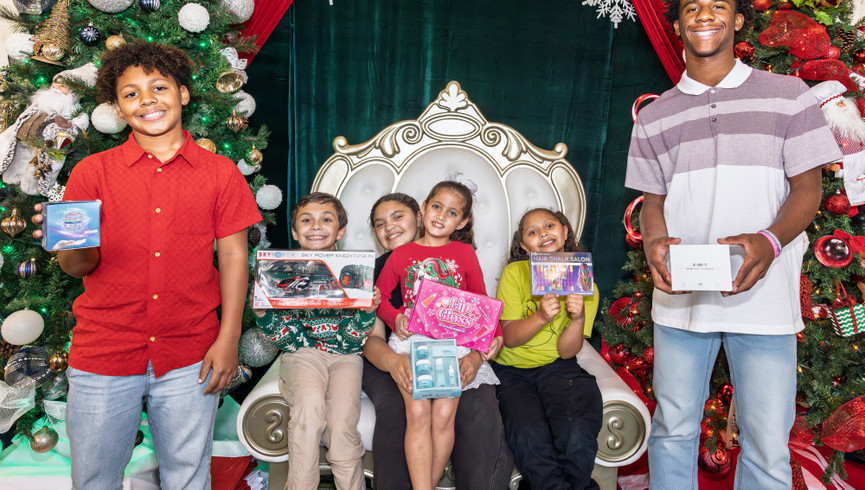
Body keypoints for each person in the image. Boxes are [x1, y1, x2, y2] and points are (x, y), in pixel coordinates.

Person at [625, 0, 844, 487]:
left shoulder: (789, 96)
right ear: (677, 24)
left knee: (766, 445)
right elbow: (653, 202)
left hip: (764, 297)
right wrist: (654, 242)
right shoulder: (653, 117)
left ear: (739, 19)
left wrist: (768, 241)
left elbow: (809, 190)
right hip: (681, 298)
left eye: (718, 4)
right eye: (692, 6)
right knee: (672, 431)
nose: (704, 14)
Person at [31, 42, 262, 488]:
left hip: (191, 353)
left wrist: (229, 338)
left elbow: (234, 256)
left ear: (183, 93)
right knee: (94, 479)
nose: (147, 100)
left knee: (188, 477)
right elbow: (79, 267)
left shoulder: (220, 173)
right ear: (118, 109)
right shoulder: (92, 172)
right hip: (105, 351)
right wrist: (68, 243)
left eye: (159, 87)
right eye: (131, 93)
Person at [362, 192, 514, 489]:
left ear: (463, 221)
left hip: (452, 345)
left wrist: (495, 336)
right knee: (417, 413)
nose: (442, 215)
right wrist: (396, 318)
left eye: (452, 212)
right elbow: (380, 301)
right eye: (437, 206)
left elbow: (481, 301)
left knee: (444, 415)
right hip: (412, 344)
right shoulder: (397, 257)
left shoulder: (464, 253)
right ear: (425, 208)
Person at [252, 192, 379, 490]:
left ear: (340, 231)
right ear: (295, 232)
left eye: (326, 220)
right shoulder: (280, 273)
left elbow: (352, 344)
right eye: (306, 221)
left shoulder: (355, 272)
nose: (316, 226)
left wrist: (365, 314)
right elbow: (287, 340)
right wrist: (263, 315)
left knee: (342, 425)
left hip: (346, 356)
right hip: (303, 353)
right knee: (309, 411)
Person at [492, 208, 602, 490]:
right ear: (524, 246)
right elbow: (510, 338)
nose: (543, 233)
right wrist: (540, 316)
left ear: (564, 231)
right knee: (528, 435)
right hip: (512, 370)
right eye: (532, 232)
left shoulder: (585, 283)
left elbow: (567, 352)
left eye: (550, 226)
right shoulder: (514, 273)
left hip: (558, 367)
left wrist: (577, 318)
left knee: (576, 432)